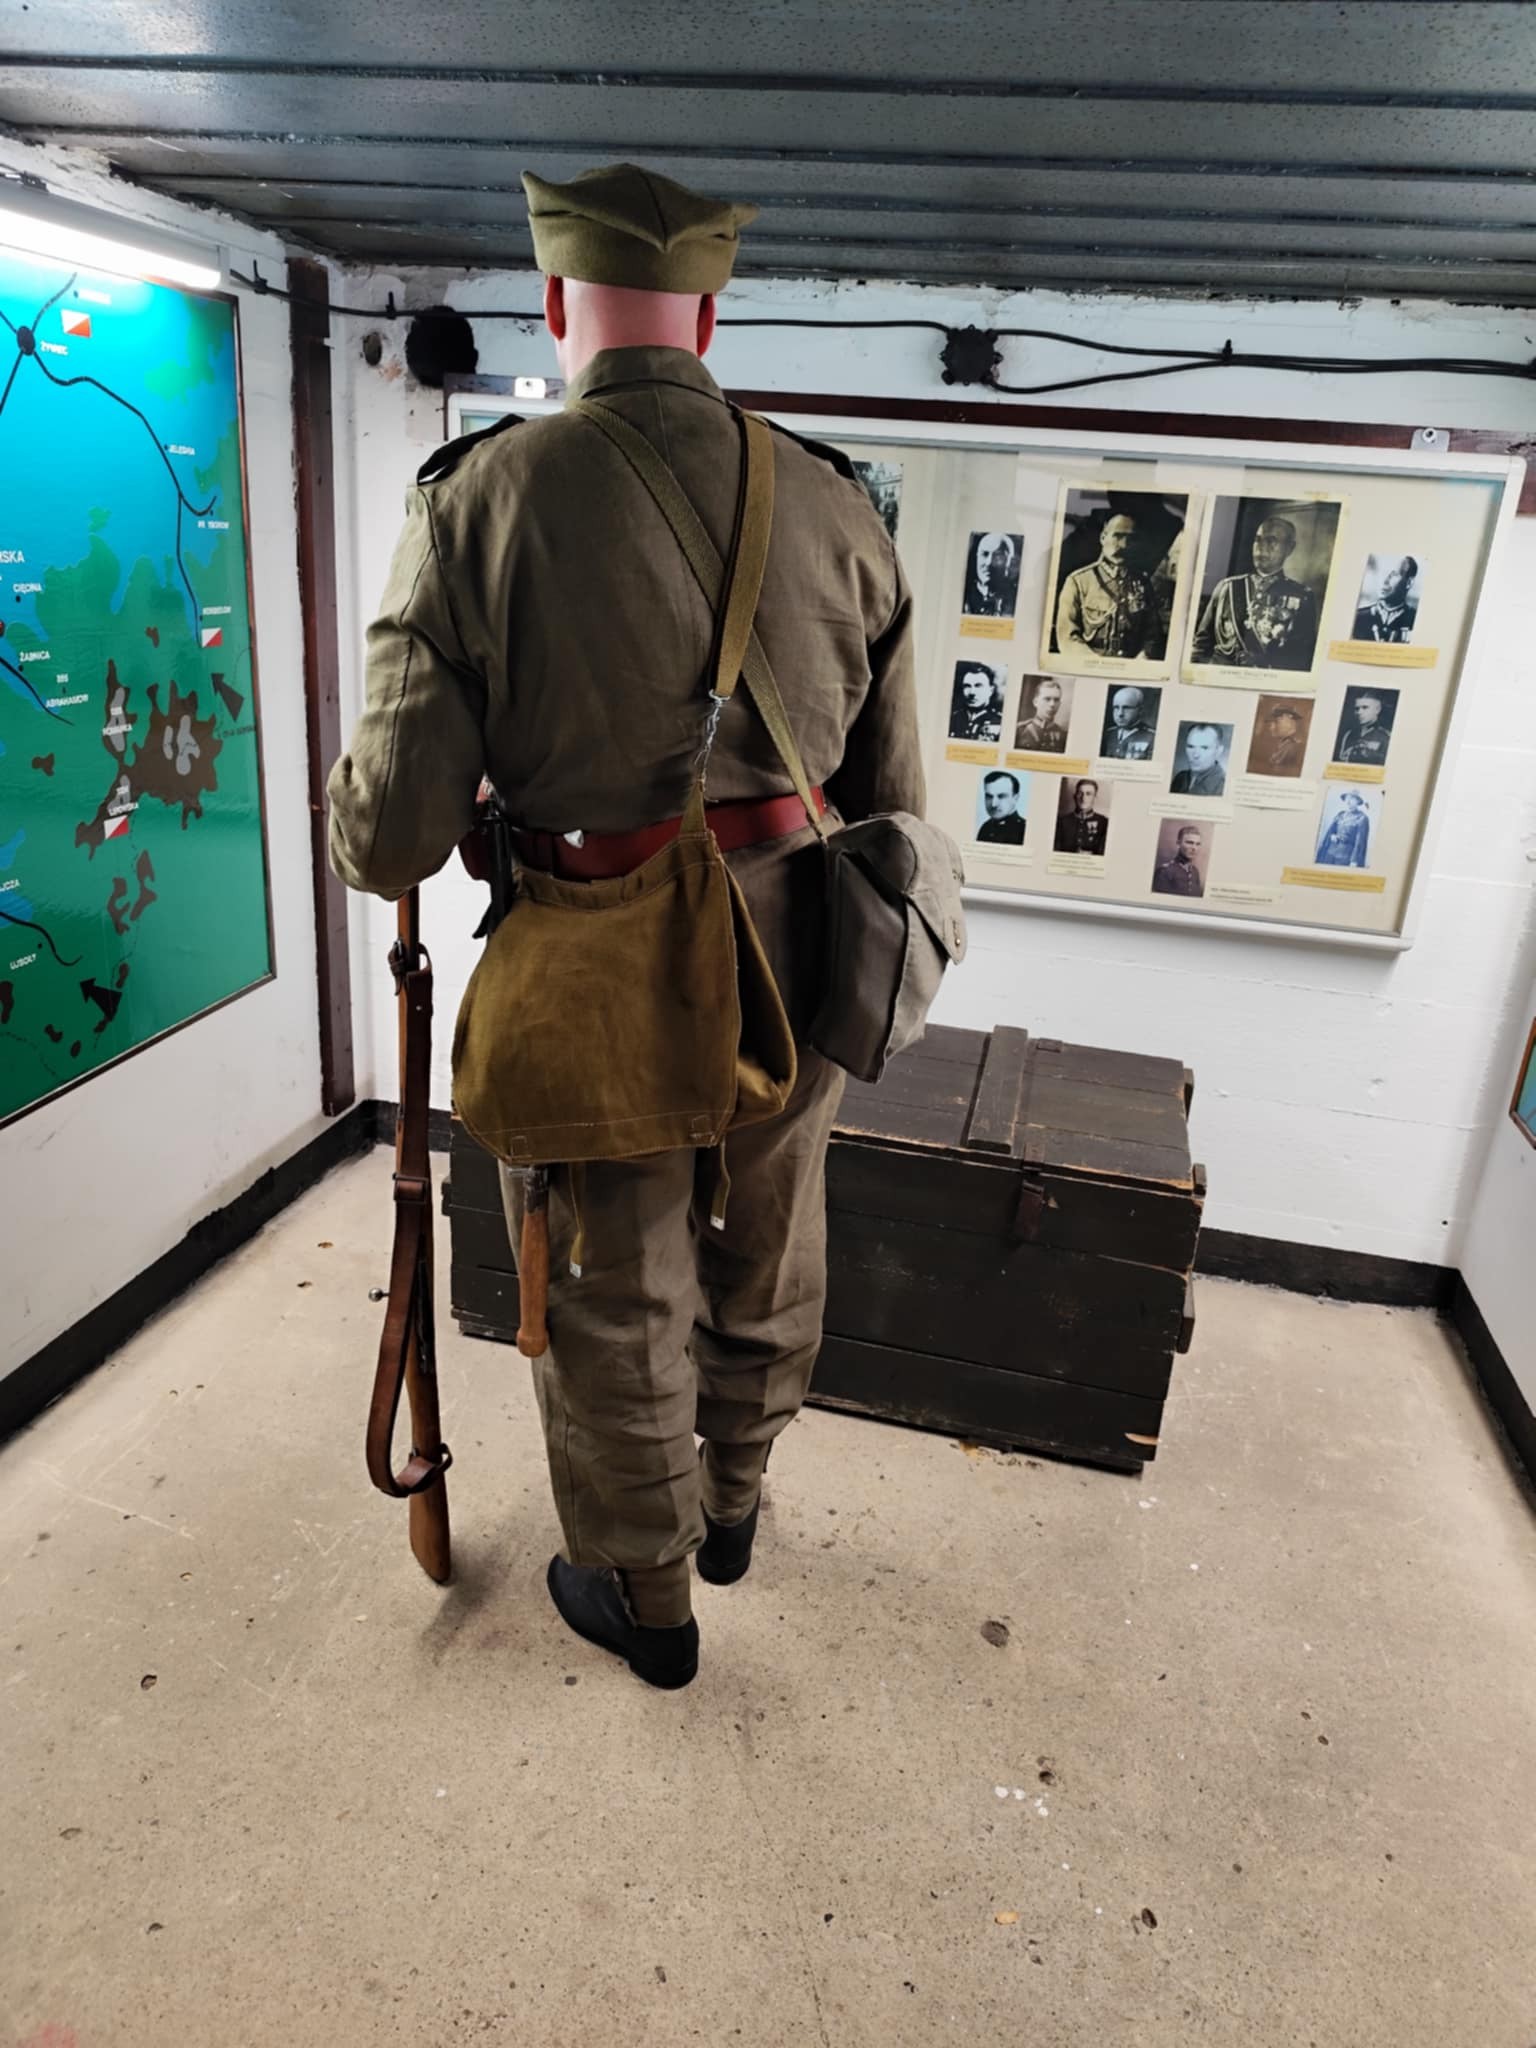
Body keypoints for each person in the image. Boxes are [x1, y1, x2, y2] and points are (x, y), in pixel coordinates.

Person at [327, 162, 923, 1692]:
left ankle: (650, 1597)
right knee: (773, 1240)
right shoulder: (841, 503)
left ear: (551, 300)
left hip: (596, 946)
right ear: (709, 316)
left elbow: (385, 835)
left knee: (614, 1280)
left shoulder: (479, 499)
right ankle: (731, 1510)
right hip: (801, 950)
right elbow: (897, 807)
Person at [1190, 513, 1320, 670]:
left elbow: (1302, 657)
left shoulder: (1302, 597)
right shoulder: (1227, 587)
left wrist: (1264, 662)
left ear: (1289, 548)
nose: (1261, 547)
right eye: (1258, 540)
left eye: (1271, 541)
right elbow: (1200, 647)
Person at [1054, 511, 1159, 660]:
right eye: (1118, 536)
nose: (1124, 545)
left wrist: (1141, 659)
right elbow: (1067, 638)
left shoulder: (1143, 584)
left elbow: (1152, 636)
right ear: (1103, 538)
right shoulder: (1078, 581)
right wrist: (1096, 664)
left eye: (1130, 539)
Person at [1353, 556, 1418, 642]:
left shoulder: (1415, 620)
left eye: (1393, 575)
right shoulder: (1358, 617)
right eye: (1382, 574)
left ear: (1409, 583)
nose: (1385, 581)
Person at [963, 531, 1019, 617]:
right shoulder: (964, 596)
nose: (988, 562)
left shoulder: (1015, 600)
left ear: (1008, 562)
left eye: (998, 556)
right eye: (985, 554)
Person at [1335, 690, 1394, 767]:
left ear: (1377, 709)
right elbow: (1341, 761)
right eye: (1357, 708)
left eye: (1365, 707)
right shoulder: (1349, 734)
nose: (1359, 712)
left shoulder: (1386, 736)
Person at [949, 661, 1004, 743]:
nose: (972, 692)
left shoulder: (1000, 721)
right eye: (967, 686)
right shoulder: (953, 718)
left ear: (991, 690)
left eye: (978, 686)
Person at [1053, 777, 1109, 855]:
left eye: (1088, 794)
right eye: (1080, 793)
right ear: (1075, 796)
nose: (1083, 798)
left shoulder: (1104, 823)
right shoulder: (1061, 822)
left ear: (1095, 797)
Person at [1249, 701, 1307, 777]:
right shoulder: (1285, 744)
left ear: (1288, 719)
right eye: (1272, 723)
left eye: (1277, 721)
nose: (1271, 727)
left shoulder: (1293, 747)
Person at [1101, 684, 1158, 761]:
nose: (1120, 714)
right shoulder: (1107, 734)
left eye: (1126, 708)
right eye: (1116, 707)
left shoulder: (1152, 737)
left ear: (1140, 710)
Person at [1316, 789, 1371, 867]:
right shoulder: (1340, 814)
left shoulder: (1362, 818)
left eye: (1352, 799)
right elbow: (1331, 831)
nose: (1348, 802)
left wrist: (1354, 860)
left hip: (1345, 857)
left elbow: (1360, 842)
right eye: (1347, 799)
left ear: (1358, 801)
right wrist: (1332, 835)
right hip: (1330, 853)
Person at [1013, 677, 1069, 753]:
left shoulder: (1064, 735)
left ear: (1059, 704)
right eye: (1047, 699)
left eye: (1056, 700)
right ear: (1035, 702)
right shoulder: (1019, 730)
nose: (1052, 704)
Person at [1170, 723, 1227, 797]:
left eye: (1204, 748)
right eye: (1190, 746)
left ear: (1219, 751)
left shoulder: (1224, 786)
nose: (1195, 755)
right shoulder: (1180, 777)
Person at [1152, 824, 1205, 895]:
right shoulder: (1164, 871)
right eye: (1189, 843)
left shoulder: (1195, 872)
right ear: (1178, 843)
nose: (1194, 848)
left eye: (1198, 844)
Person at [976, 770, 1026, 844]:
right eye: (989, 796)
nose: (994, 804)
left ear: (1015, 798)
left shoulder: (1023, 830)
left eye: (1001, 796)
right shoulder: (985, 828)